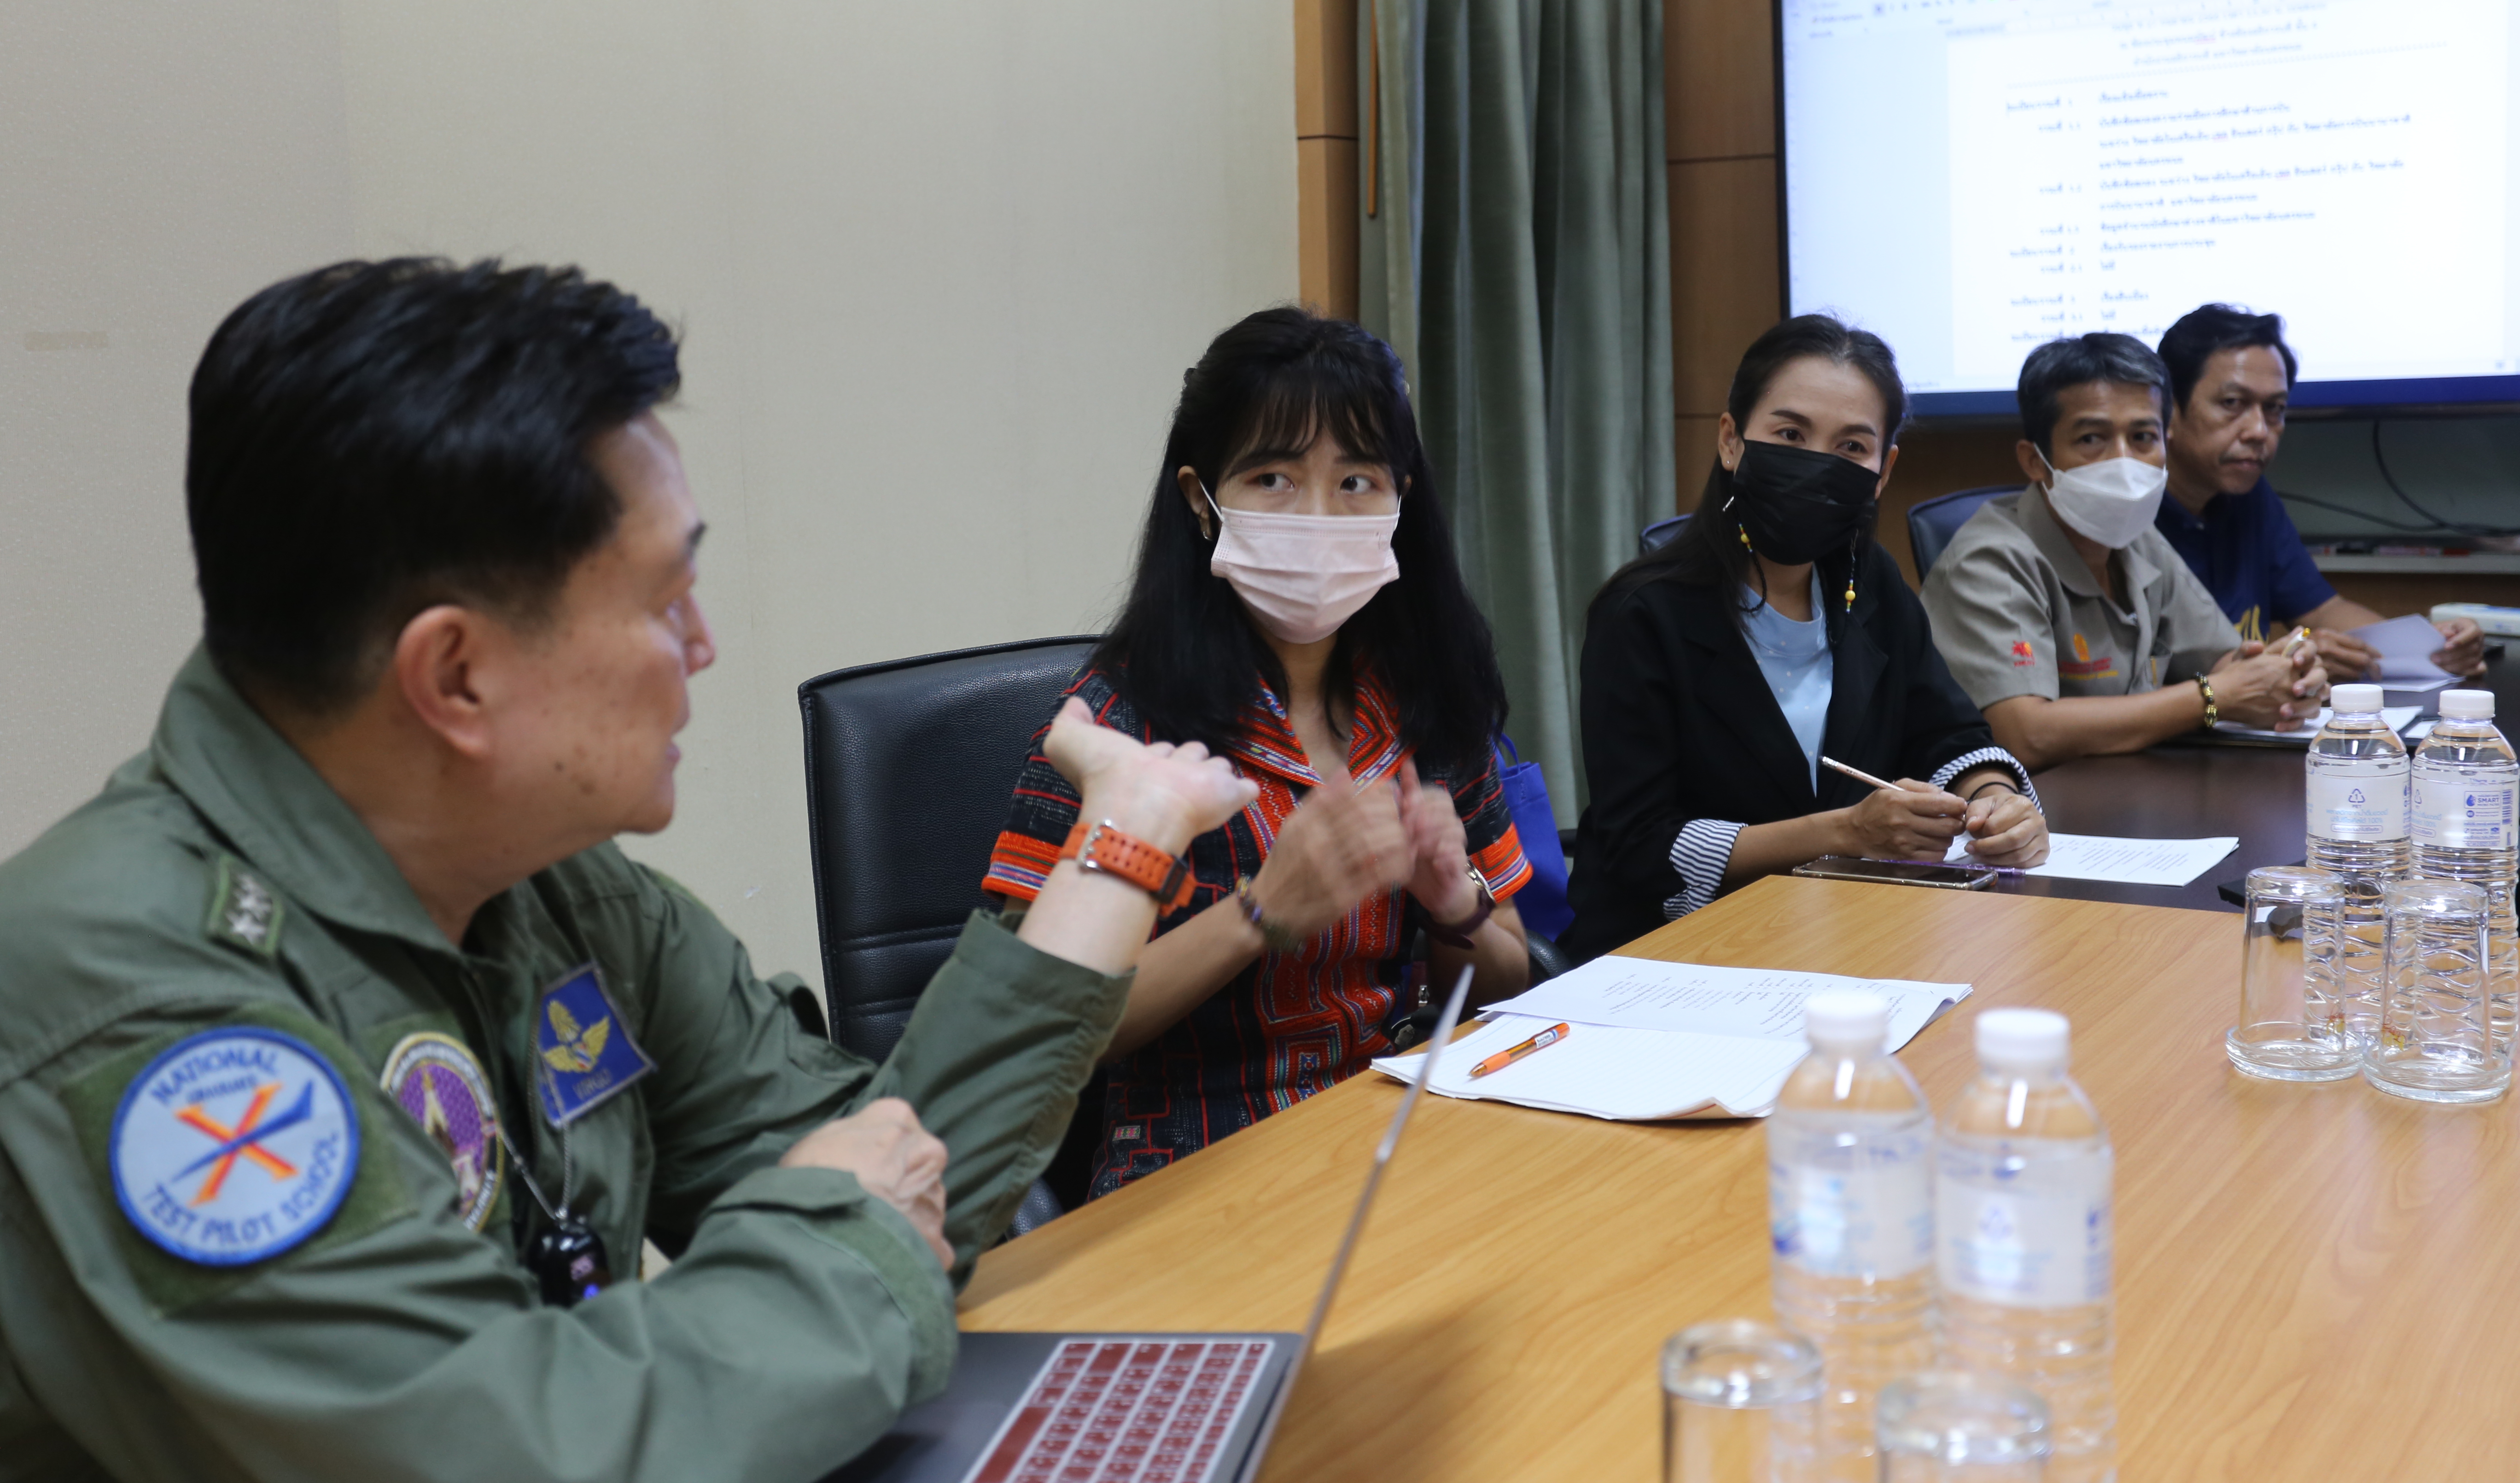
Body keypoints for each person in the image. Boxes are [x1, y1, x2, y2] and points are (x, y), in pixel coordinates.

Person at [0, 259, 1263, 1481]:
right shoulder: (141, 1010)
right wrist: (840, 1231)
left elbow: (903, 1177)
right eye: (666, 600)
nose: (703, 646)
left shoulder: (554, 894)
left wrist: (1120, 847)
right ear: (456, 676)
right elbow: (504, 1450)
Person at [982, 307, 1532, 1195]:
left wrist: (1454, 907)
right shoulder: (1115, 724)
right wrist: (1260, 911)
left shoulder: (1424, 693)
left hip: (1400, 1134)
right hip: (1193, 1166)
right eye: (1273, 477)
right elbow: (1029, 1030)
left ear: (1400, 499)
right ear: (1200, 498)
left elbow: (1507, 973)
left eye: (1356, 481)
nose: (1318, 515)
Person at [1563, 316, 2048, 960]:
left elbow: (1949, 734)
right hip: (1674, 951)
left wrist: (1995, 800)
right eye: (1790, 435)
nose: (1818, 464)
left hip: (1842, 933)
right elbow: (1640, 844)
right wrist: (1844, 833)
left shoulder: (1868, 580)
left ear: (1883, 470)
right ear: (1731, 440)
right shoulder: (1642, 613)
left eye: (1851, 447)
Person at [1922, 332, 2329, 772]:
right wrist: (2213, 697)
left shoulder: (2137, 538)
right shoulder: (1990, 559)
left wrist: (2284, 676)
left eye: (2142, 437)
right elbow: (2025, 734)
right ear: (2035, 461)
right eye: (2091, 439)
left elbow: (2224, 661)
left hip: (2131, 789)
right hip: (2027, 806)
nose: (2123, 461)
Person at [2154, 302, 2485, 677]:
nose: (2259, 431)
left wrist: (2433, 648)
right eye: (2232, 403)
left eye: (2275, 408)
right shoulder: (2131, 515)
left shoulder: (2249, 498)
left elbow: (2322, 611)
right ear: (2167, 411)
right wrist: (2291, 659)